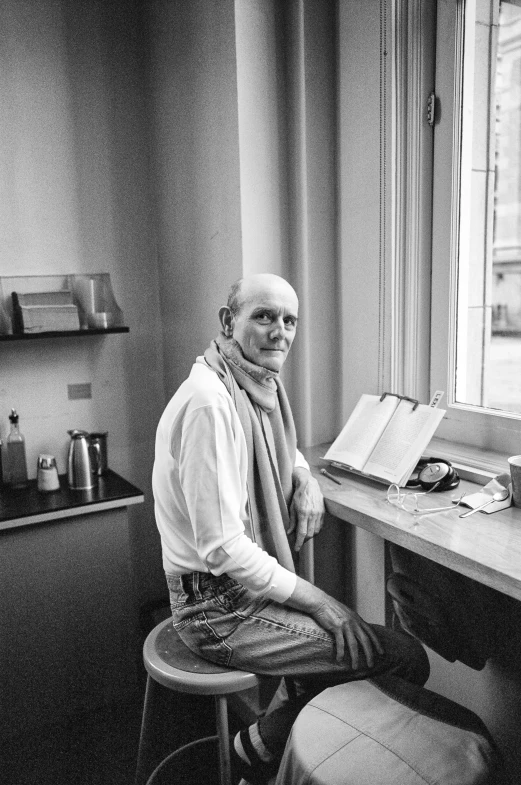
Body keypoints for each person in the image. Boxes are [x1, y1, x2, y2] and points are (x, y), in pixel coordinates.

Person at [152, 273, 429, 785]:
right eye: (263, 316)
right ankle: (261, 746)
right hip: (216, 607)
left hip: (236, 591)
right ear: (227, 321)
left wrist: (305, 478)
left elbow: (282, 452)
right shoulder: (210, 403)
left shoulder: (253, 387)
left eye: (288, 319)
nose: (280, 330)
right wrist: (321, 602)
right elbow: (223, 548)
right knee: (403, 659)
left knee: (353, 643)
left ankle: (274, 745)